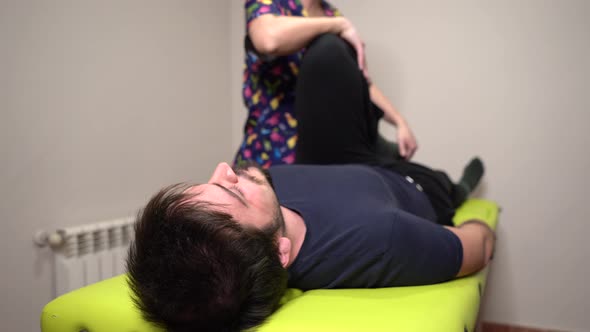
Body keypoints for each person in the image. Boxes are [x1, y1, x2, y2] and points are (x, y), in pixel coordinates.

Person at [127, 34, 494, 332]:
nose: (225, 168)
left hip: (341, 165)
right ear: (280, 252)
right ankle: (457, 186)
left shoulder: (263, 197)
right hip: (408, 184)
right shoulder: (383, 240)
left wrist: (395, 120)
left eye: (209, 182)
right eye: (232, 190)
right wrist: (476, 221)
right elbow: (479, 244)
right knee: (445, 186)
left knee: (326, 54)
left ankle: (381, 138)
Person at [234, 0, 418, 168]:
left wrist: (400, 122)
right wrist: (338, 26)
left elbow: (362, 81)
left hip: (326, 148)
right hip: (274, 148)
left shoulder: (331, 14)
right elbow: (269, 39)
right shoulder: (273, 5)